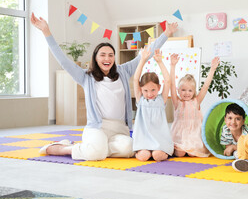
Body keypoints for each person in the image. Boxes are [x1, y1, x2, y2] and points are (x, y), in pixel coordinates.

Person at [31, 12, 178, 160]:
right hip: (97, 127)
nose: (107, 58)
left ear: (114, 58)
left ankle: (93, 148)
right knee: (96, 154)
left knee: (128, 150)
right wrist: (46, 31)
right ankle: (64, 148)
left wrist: (167, 33)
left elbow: (147, 53)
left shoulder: (124, 71)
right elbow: (63, 60)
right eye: (102, 55)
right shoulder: (85, 77)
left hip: (120, 128)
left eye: (110, 55)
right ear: (95, 57)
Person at [170, 54, 220, 157]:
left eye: (190, 90)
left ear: (194, 92)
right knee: (180, 153)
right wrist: (173, 66)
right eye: (183, 90)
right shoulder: (177, 102)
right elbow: (171, 85)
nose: (186, 93)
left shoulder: (196, 101)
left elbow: (205, 86)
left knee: (193, 154)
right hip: (180, 136)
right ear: (178, 90)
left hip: (194, 136)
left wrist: (212, 69)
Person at [132, 47, 173, 162]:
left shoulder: (161, 100)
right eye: (145, 91)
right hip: (143, 139)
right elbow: (136, 79)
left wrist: (160, 62)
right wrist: (142, 60)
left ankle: (163, 151)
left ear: (159, 88)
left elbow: (168, 80)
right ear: (141, 89)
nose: (149, 94)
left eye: (153, 90)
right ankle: (142, 151)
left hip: (159, 139)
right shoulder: (141, 100)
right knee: (143, 157)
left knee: (157, 156)